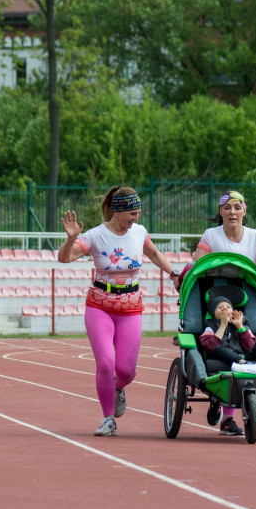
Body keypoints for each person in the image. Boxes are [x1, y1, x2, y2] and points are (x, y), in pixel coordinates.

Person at [58, 186, 181, 437]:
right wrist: (71, 238)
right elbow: (65, 258)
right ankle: (108, 419)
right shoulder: (95, 236)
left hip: (131, 308)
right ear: (118, 211)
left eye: (138, 213)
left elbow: (155, 253)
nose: (136, 218)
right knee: (105, 363)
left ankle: (118, 387)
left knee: (125, 370)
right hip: (99, 307)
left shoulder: (139, 233)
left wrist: (173, 273)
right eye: (132, 214)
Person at [192, 190, 256, 435]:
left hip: (244, 299)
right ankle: (216, 397)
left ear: (244, 210)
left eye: (237, 207)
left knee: (250, 341)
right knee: (219, 342)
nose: (232, 212)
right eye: (227, 208)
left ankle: (228, 418)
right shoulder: (211, 235)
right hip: (216, 298)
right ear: (221, 212)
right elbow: (196, 266)